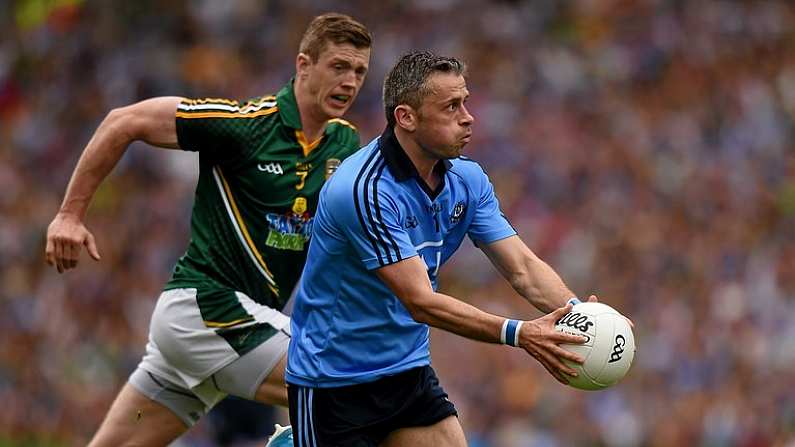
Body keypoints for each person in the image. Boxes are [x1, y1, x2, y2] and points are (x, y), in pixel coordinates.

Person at [44, 13, 371, 447]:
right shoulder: (244, 124)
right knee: (353, 385)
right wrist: (70, 214)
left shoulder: (345, 144)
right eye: (338, 67)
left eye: (360, 71)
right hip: (206, 309)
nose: (350, 81)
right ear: (303, 65)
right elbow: (124, 121)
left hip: (229, 327)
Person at [285, 50, 597, 447]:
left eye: (465, 102)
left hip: (406, 371)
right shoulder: (364, 190)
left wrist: (581, 317)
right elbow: (420, 301)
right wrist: (519, 333)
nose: (468, 116)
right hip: (334, 383)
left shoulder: (467, 179)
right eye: (451, 107)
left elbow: (522, 267)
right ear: (407, 118)